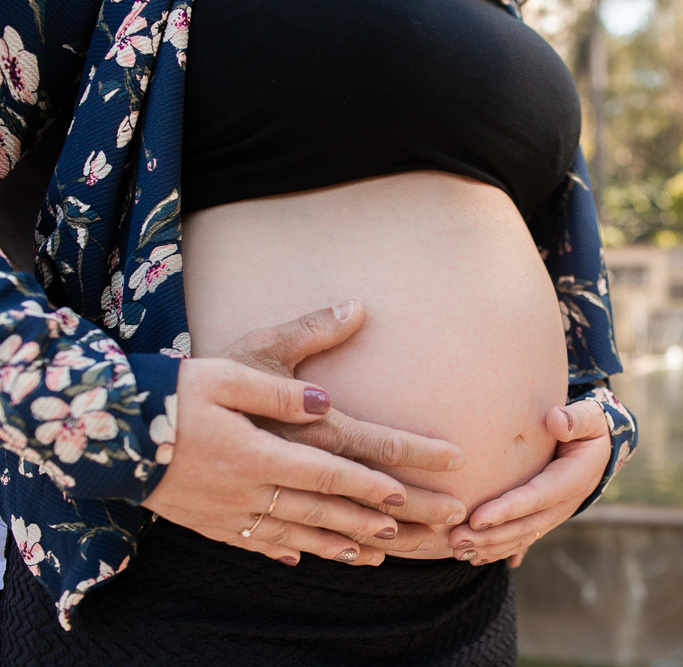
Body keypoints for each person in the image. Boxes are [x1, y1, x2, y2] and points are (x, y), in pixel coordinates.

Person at [0, 1, 637, 664]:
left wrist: (595, 428)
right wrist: (124, 417)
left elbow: (564, 280)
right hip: (186, 578)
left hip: (465, 602)